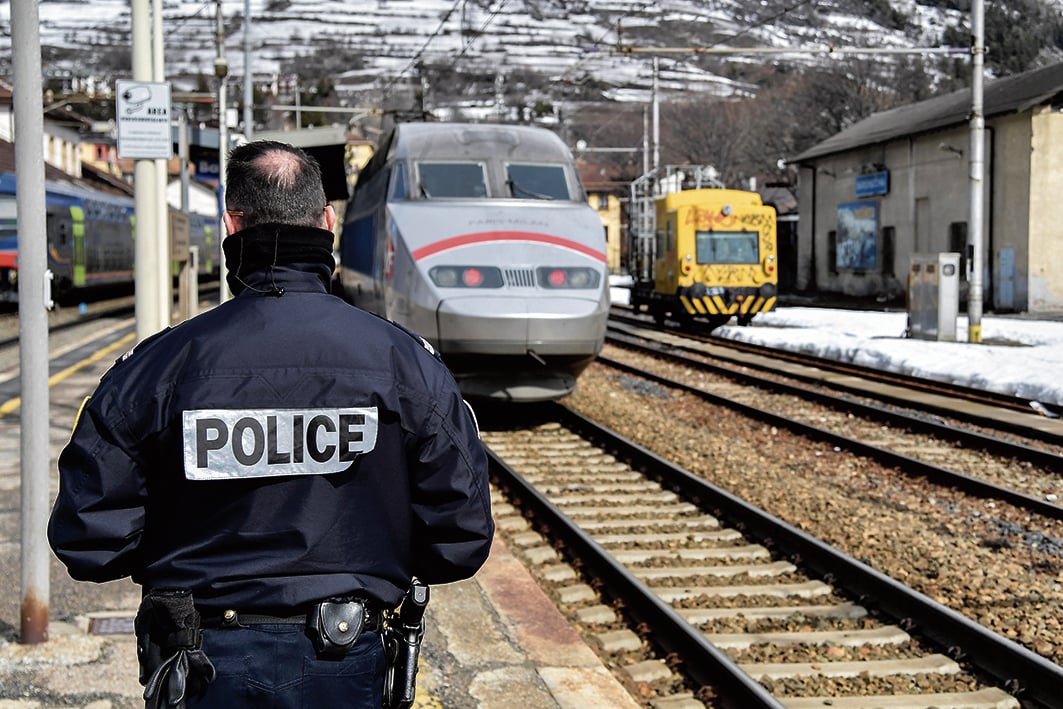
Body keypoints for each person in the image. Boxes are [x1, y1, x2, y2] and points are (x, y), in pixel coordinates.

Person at [48, 140, 495, 708]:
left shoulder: (157, 368)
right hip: (349, 657)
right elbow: (461, 537)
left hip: (202, 663)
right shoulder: (405, 364)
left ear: (231, 225)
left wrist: (188, 554)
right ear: (327, 222)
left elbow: (87, 540)